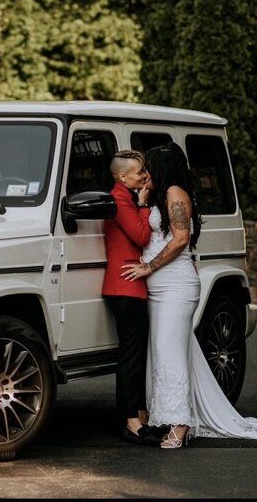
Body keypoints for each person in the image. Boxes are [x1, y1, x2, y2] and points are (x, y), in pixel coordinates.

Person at [122, 142, 257, 449]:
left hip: (175, 286)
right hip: (159, 288)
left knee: (171, 354)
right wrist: (140, 200)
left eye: (150, 167)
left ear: (163, 168)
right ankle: (169, 414)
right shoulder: (158, 196)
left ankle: (180, 425)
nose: (147, 173)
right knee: (166, 352)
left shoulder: (175, 193)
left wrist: (148, 267)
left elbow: (180, 240)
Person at [102, 150, 159, 446]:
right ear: (123, 177)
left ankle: (139, 414)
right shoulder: (120, 198)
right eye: (139, 172)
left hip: (131, 286)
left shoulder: (124, 196)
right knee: (130, 357)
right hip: (124, 286)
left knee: (135, 354)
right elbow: (140, 235)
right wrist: (144, 203)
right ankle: (131, 422)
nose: (144, 176)